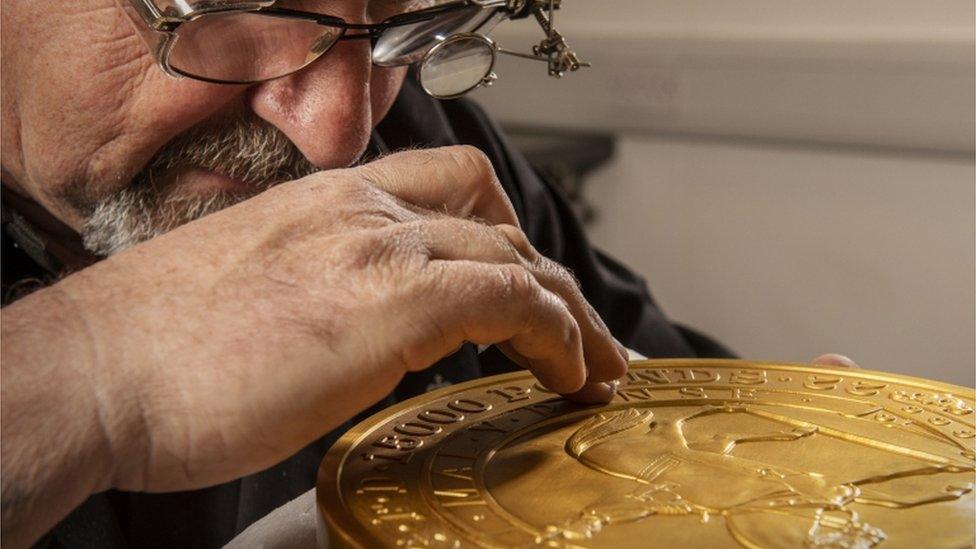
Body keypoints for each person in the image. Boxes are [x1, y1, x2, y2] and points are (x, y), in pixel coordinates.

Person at [0, 1, 856, 547]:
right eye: (230, 4)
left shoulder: (426, 143)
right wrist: (87, 372)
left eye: (402, 14)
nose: (337, 136)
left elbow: (648, 416)